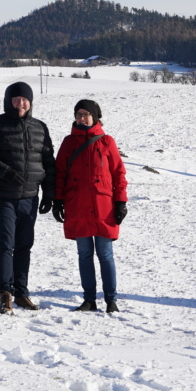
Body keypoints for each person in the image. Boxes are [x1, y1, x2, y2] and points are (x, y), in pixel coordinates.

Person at [0, 81, 55, 314]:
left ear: (30, 102)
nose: (20, 104)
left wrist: (49, 193)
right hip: (2, 196)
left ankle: (21, 292)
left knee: (24, 246)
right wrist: (6, 172)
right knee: (5, 245)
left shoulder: (40, 127)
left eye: (24, 100)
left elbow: (49, 162)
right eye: (16, 99)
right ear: (8, 101)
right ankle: (5, 293)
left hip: (30, 197)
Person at [54, 98, 128, 313]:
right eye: (79, 114)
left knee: (105, 254)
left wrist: (121, 202)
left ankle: (111, 300)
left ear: (95, 117)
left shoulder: (107, 142)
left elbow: (118, 174)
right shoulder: (69, 143)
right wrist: (58, 201)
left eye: (86, 114)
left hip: (104, 207)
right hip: (77, 207)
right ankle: (89, 300)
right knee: (84, 255)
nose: (82, 118)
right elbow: (60, 174)